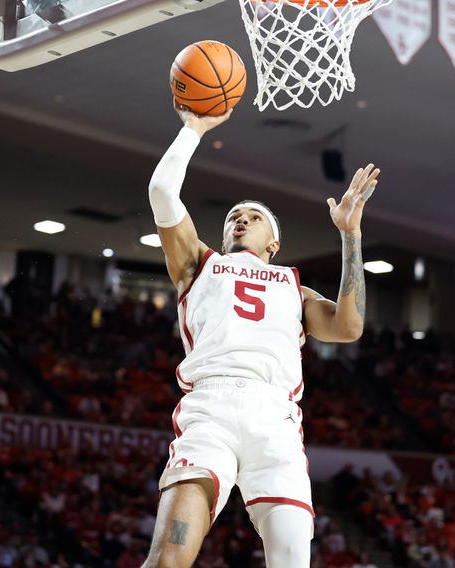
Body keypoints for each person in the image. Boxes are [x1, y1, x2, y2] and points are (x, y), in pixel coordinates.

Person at [142, 105, 380, 568]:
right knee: (168, 558)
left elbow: (349, 327)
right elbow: (162, 191)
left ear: (274, 243)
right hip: (210, 409)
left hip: (276, 420)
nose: (241, 219)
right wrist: (193, 128)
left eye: (254, 216)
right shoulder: (199, 264)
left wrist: (351, 236)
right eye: (235, 214)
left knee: (291, 561)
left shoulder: (295, 287)